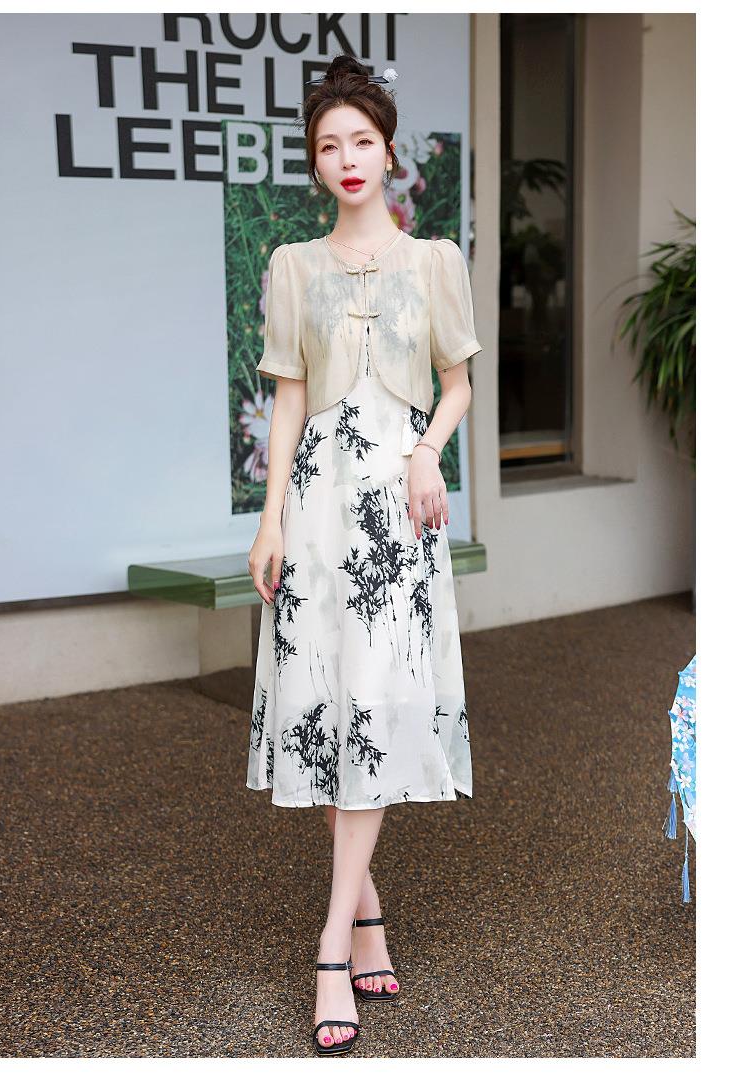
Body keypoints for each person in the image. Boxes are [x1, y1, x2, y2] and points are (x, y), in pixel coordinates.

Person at [246, 53, 482, 1057]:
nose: (346, 158)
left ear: (390, 152)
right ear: (316, 163)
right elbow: (288, 401)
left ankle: (331, 945)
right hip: (316, 509)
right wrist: (268, 521)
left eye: (362, 141)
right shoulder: (291, 265)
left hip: (397, 509)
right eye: (328, 146)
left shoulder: (434, 261)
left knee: (377, 705)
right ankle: (368, 913)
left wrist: (429, 451)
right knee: (326, 706)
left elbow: (458, 382)